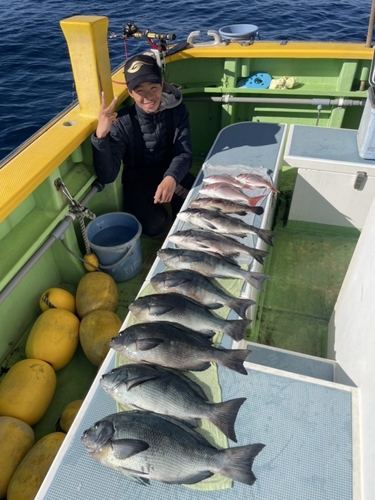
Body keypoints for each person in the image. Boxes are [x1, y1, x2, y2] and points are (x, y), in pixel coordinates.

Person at [91, 52, 195, 237]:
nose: (148, 96)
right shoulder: (122, 122)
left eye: (154, 87)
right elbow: (107, 176)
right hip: (138, 179)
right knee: (155, 225)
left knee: (196, 208)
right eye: (140, 91)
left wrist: (171, 177)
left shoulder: (177, 110)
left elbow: (184, 153)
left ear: (162, 84)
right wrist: (101, 135)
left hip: (172, 170)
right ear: (130, 93)